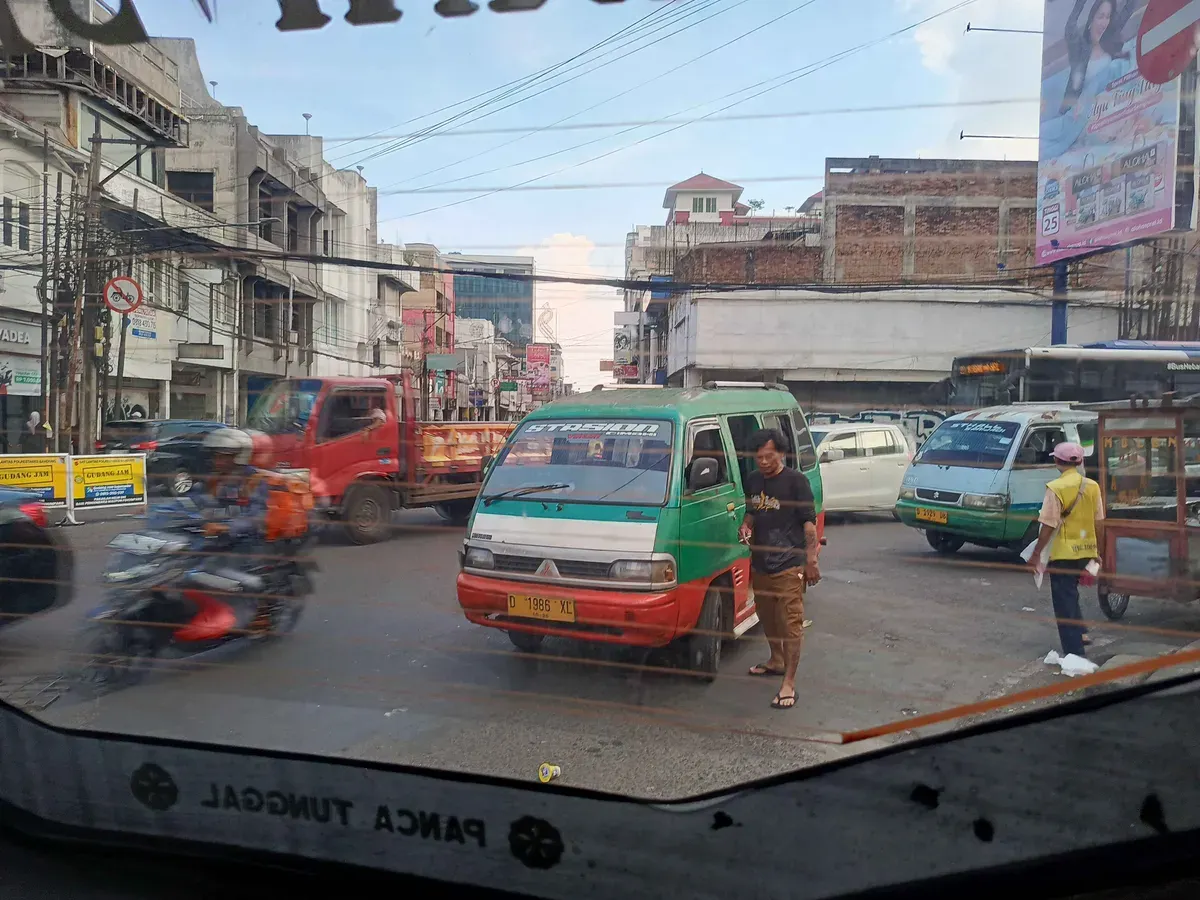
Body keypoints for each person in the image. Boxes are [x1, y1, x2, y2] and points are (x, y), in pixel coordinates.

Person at [738, 428, 821, 711]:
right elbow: (752, 511)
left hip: (789, 564)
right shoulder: (753, 480)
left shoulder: (796, 482)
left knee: (790, 624)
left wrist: (811, 561)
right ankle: (776, 660)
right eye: (759, 457)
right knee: (768, 617)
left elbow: (809, 524)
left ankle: (789, 683)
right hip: (761, 563)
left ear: (781, 454)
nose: (763, 462)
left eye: (769, 456)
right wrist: (745, 525)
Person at [1027, 441, 1106, 658]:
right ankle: (1081, 633)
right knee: (1071, 595)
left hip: (1063, 554)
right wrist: (1098, 552)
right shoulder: (1092, 486)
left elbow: (1048, 525)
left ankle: (1075, 654)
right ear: (1080, 462)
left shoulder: (1056, 488)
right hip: (1086, 551)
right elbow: (1099, 522)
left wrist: (1036, 554)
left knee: (1064, 602)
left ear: (1056, 461)